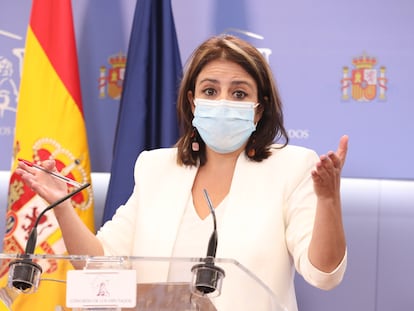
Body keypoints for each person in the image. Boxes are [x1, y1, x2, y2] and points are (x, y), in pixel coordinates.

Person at [17, 34, 348, 311]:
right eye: (209, 90)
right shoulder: (156, 168)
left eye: (238, 93)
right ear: (192, 102)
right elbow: (101, 261)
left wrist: (329, 200)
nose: (222, 101)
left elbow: (324, 274)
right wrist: (62, 205)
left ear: (259, 108)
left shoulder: (290, 167)